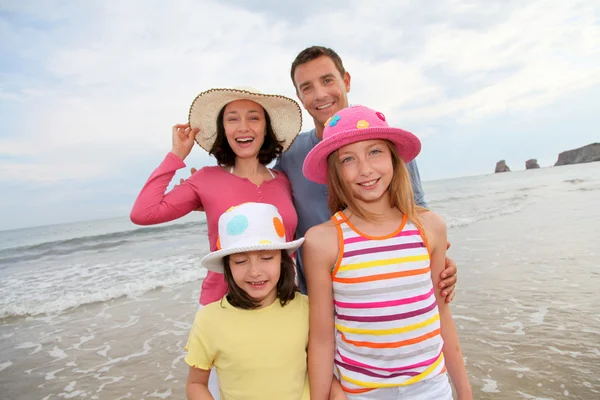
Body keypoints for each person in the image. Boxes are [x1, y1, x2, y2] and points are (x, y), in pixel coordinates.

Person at [130, 87, 303, 398]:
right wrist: (176, 156)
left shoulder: (284, 182)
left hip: (282, 305)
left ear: (266, 128)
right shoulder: (206, 179)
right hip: (222, 307)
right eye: (232, 119)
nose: (243, 127)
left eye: (254, 117)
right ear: (224, 130)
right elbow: (143, 213)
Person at [302, 105, 472, 399]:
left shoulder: (430, 226)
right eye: (348, 159)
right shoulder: (322, 242)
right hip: (362, 391)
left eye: (375, 152)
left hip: (431, 386)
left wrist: (465, 392)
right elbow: (321, 338)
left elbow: (442, 316)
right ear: (335, 172)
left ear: (394, 158)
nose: (365, 169)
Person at [275, 46, 458, 301]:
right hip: (316, 298)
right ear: (299, 95)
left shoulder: (384, 146)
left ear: (346, 81)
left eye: (328, 80)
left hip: (388, 290)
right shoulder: (290, 155)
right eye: (307, 87)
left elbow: (418, 210)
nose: (320, 94)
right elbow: (263, 193)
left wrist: (439, 262)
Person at [185, 202, 346, 399]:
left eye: (267, 257)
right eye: (241, 261)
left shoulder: (306, 309)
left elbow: (321, 368)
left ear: (282, 259)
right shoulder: (209, 320)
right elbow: (196, 383)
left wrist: (337, 393)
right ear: (228, 266)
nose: (254, 271)